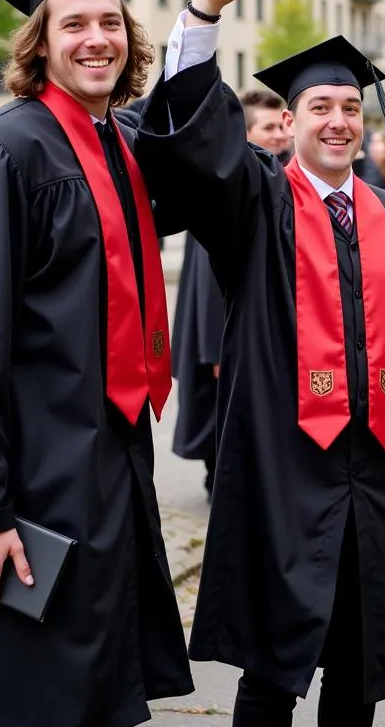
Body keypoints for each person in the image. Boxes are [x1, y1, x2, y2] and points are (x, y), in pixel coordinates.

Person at [133, 0, 385, 727]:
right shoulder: (257, 205)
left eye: (350, 108)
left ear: (365, 123)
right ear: (289, 120)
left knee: (358, 674)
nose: (338, 121)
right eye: (320, 107)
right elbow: (199, 152)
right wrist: (201, 17)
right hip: (280, 469)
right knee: (273, 672)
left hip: (384, 474)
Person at [0, 0, 196, 727]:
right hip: (22, 484)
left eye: (110, 22)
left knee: (90, 691)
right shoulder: (1, 149)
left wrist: (199, 21)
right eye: (73, 24)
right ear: (39, 43)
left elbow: (214, 171)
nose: (96, 38)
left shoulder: (116, 144)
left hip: (103, 466)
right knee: (10, 696)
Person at [171, 88, 289, 499]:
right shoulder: (227, 189)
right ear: (247, 133)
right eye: (268, 127)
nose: (279, 135)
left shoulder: (276, 182)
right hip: (225, 331)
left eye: (282, 126)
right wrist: (217, 350)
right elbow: (207, 280)